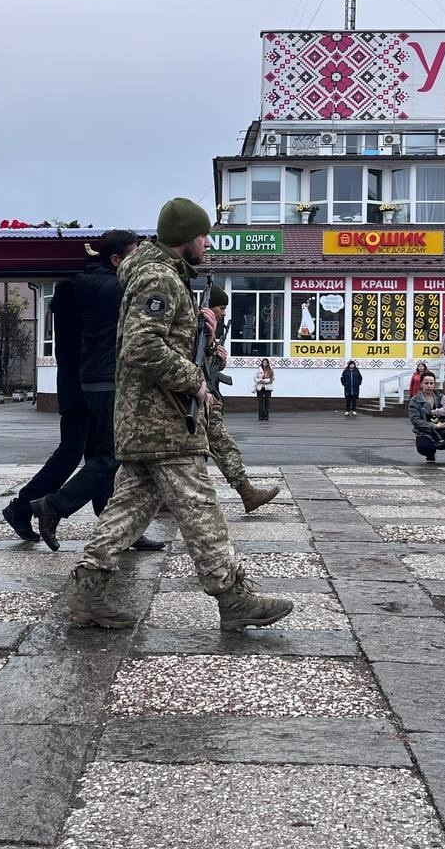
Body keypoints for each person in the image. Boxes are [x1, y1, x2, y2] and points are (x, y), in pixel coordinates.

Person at [64, 197, 292, 632]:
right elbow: (142, 345)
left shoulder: (162, 275)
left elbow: (159, 339)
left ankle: (86, 594)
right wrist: (194, 379)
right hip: (163, 421)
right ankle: (233, 597)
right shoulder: (159, 278)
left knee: (128, 508)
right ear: (186, 238)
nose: (207, 242)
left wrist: (199, 332)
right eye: (203, 235)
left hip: (147, 419)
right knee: (200, 507)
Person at [27, 230, 167, 550]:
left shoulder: (91, 283)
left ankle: (117, 529)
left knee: (99, 458)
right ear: (117, 260)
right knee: (111, 457)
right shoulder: (114, 288)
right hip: (106, 381)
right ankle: (53, 507)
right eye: (134, 255)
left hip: (94, 379)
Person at [2, 278, 87, 542]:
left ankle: (23, 506)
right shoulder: (75, 297)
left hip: (78, 385)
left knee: (88, 456)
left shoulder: (66, 295)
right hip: (82, 386)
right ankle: (23, 506)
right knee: (80, 455)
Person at [195, 284, 281, 513]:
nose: (224, 313)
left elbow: (206, 363)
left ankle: (165, 500)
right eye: (220, 307)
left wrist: (218, 356)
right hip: (200, 400)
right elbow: (192, 363)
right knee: (222, 444)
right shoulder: (197, 330)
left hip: (202, 396)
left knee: (185, 452)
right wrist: (202, 386)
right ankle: (247, 492)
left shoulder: (208, 331)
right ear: (208, 307)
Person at [408, 371, 445, 465]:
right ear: (421, 384)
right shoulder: (415, 401)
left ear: (434, 384)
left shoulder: (443, 397)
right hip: (426, 431)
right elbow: (416, 421)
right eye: (426, 383)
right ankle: (430, 455)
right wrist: (435, 426)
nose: (429, 386)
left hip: (444, 428)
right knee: (424, 447)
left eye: (431, 383)